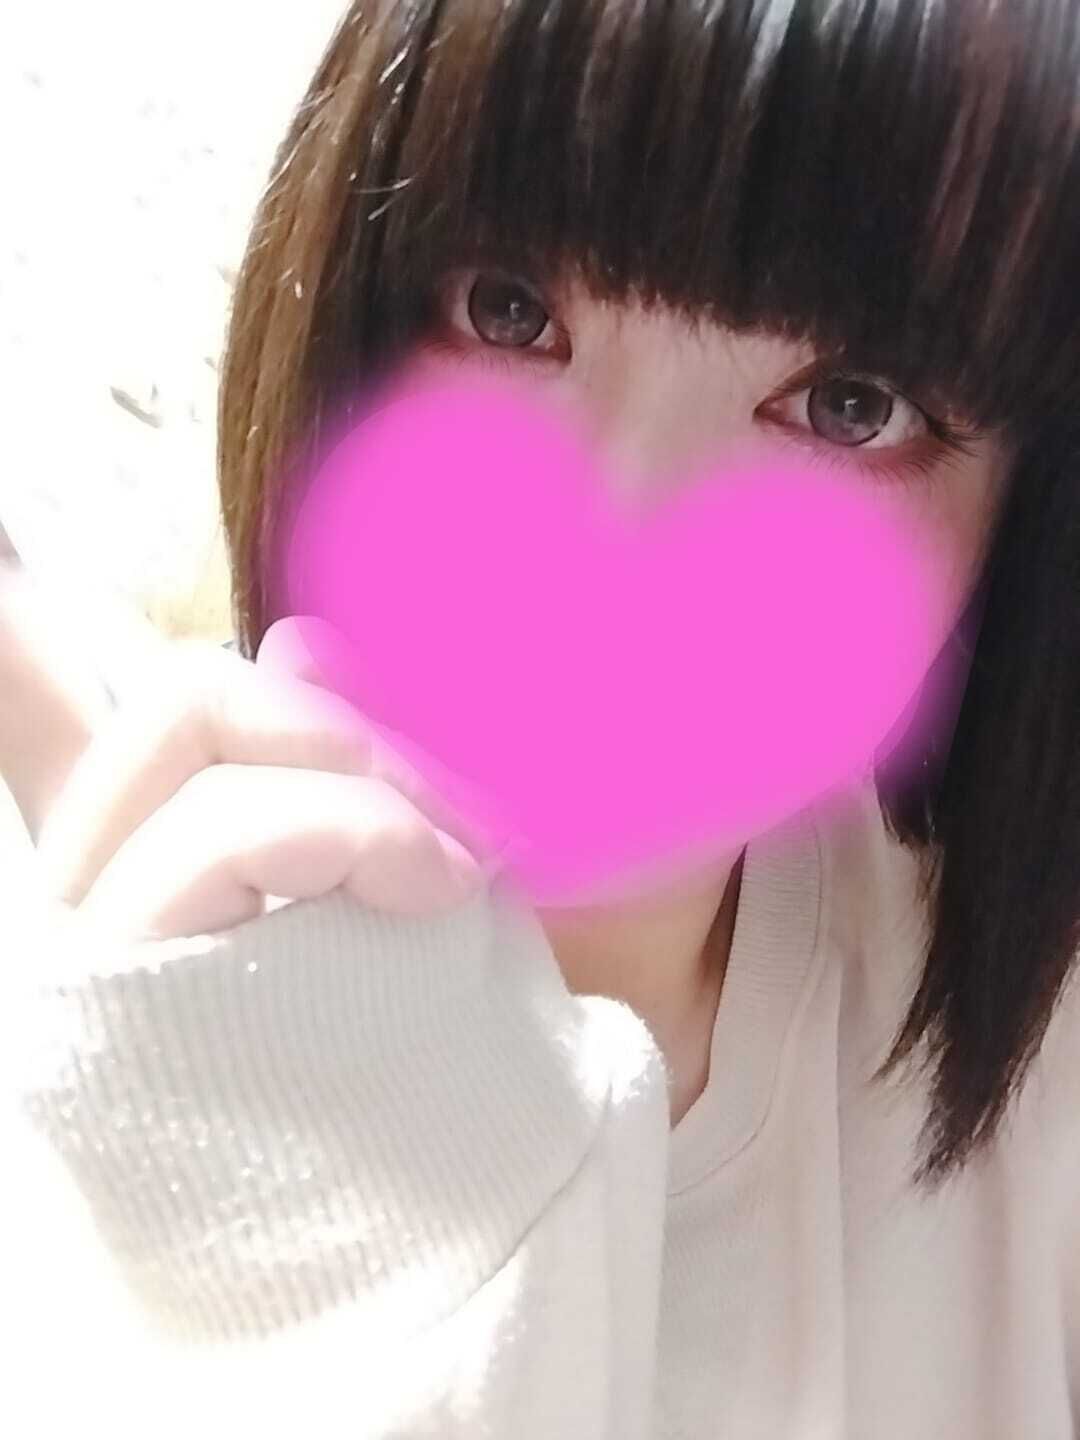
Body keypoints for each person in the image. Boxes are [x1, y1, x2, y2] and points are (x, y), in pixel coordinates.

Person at [3, 0, 1080, 1435]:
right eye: (510, 311)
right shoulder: (116, 1062)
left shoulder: (1038, 1069)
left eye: (848, 405)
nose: (616, 530)